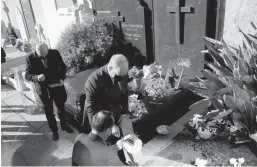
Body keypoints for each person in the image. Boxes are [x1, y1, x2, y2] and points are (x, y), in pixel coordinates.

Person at [25, 43, 73, 141]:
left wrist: (61, 78)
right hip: (43, 89)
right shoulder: (30, 58)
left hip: (57, 85)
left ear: (48, 50)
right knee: (49, 111)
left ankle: (64, 125)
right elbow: (27, 75)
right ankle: (54, 131)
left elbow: (62, 67)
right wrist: (36, 77)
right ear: (37, 51)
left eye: (45, 55)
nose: (44, 57)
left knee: (61, 107)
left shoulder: (54, 53)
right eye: (41, 56)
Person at [83, 54, 130, 137]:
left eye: (124, 75)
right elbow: (92, 109)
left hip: (115, 114)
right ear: (111, 68)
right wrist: (110, 126)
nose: (122, 78)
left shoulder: (121, 72)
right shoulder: (93, 81)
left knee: (118, 141)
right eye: (119, 76)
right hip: (101, 121)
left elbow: (124, 92)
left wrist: (123, 113)